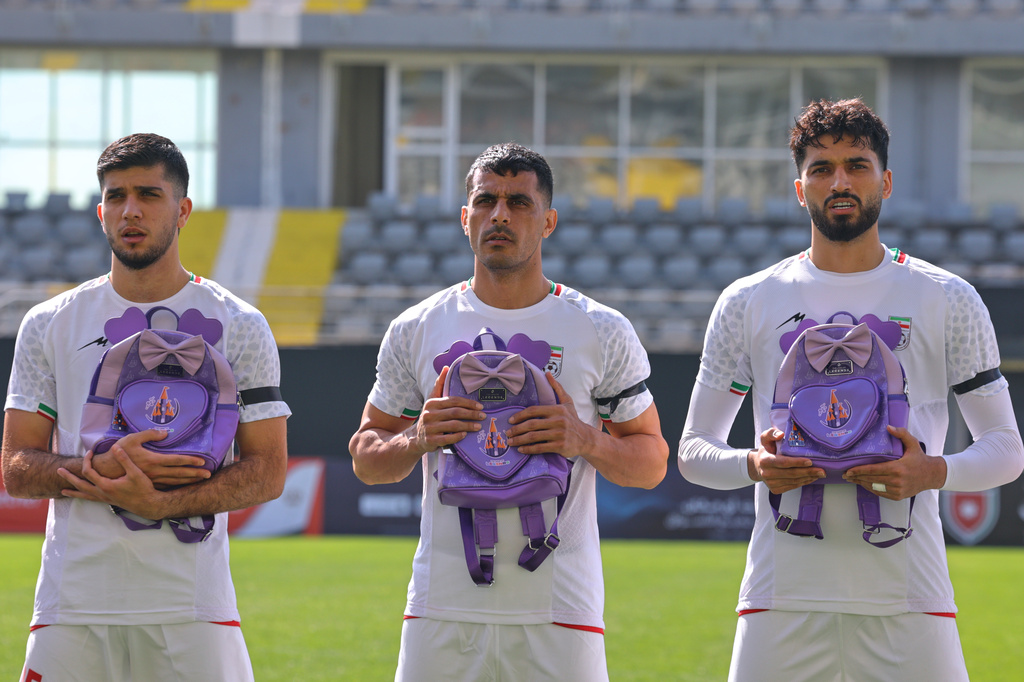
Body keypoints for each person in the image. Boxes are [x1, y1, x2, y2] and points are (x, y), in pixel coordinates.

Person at [677, 98, 1024, 681]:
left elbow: (1007, 449)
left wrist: (931, 472)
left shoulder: (947, 297)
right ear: (800, 189)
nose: (840, 182)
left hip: (909, 599)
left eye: (857, 165)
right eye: (822, 168)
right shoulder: (748, 300)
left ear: (884, 181)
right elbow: (692, 450)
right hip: (780, 599)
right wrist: (754, 465)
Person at [349, 142, 669, 681]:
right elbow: (366, 456)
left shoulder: (600, 328)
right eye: (486, 200)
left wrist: (586, 439)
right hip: (441, 605)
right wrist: (417, 437)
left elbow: (652, 462)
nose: (500, 215)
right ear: (465, 218)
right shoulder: (417, 327)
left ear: (548, 222)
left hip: (560, 608)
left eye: (519, 202)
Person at [1, 133, 291, 682]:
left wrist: (162, 503)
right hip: (74, 605)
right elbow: (17, 467)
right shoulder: (48, 323)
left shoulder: (240, 324)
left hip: (192, 606)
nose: (130, 211)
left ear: (183, 211)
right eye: (116, 196)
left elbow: (268, 471)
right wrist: (100, 470)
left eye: (149, 195)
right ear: (101, 212)